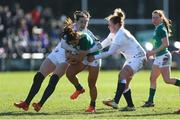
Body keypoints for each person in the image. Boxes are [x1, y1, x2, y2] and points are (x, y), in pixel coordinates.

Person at [88, 8, 146, 111]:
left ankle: (115, 101)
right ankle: (130, 106)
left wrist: (94, 57)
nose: (108, 26)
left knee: (122, 75)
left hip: (138, 57)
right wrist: (89, 51)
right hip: (132, 58)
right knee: (124, 83)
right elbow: (102, 44)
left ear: (117, 25)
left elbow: (110, 52)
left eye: (110, 24)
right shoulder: (114, 33)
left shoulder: (120, 35)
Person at [14, 23, 73, 112]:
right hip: (56, 54)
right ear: (76, 21)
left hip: (65, 59)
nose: (83, 24)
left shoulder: (86, 34)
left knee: (53, 80)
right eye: (81, 21)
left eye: (85, 22)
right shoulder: (72, 28)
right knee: (38, 77)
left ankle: (40, 104)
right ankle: (26, 103)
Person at [62, 18, 101, 113]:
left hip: (93, 57)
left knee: (91, 83)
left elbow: (79, 58)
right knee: (69, 73)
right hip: (83, 56)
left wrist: (71, 57)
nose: (73, 45)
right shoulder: (69, 37)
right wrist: (70, 56)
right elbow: (67, 52)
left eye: (74, 43)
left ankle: (92, 106)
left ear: (77, 38)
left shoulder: (83, 39)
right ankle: (79, 88)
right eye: (72, 43)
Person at [142, 10, 180, 107]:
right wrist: (153, 52)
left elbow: (166, 44)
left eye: (156, 17)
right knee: (152, 78)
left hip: (164, 56)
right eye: (153, 17)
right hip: (159, 57)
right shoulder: (157, 28)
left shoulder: (161, 29)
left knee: (167, 80)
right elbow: (158, 44)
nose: (154, 19)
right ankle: (150, 101)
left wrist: (153, 52)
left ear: (161, 18)